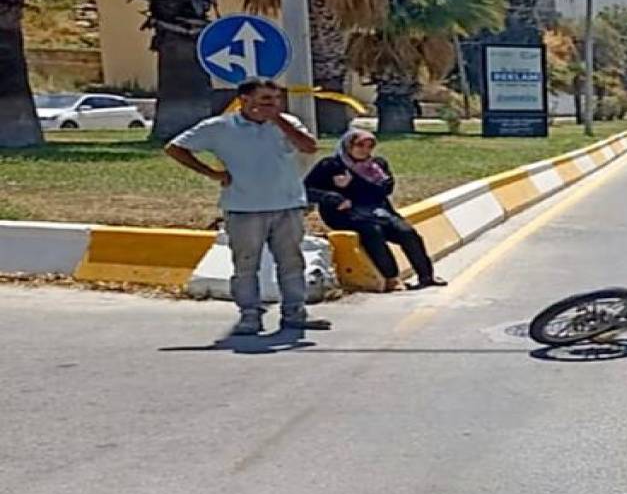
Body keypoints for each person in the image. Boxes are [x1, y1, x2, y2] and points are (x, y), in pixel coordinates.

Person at [164, 79, 328, 336]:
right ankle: (249, 315)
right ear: (245, 100)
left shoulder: (288, 123)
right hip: (243, 208)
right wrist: (211, 173)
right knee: (246, 265)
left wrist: (278, 120)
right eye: (265, 100)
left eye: (276, 99)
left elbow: (309, 147)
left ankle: (295, 312)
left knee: (292, 262)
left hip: (287, 205)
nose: (272, 105)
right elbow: (175, 148)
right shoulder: (219, 127)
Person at [305, 129, 447, 292]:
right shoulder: (330, 165)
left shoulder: (377, 165)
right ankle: (391, 278)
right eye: (359, 145)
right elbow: (306, 190)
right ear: (348, 146)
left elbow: (384, 189)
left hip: (377, 211)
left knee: (406, 231)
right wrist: (333, 197)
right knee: (373, 232)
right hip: (343, 214)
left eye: (370, 146)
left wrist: (351, 184)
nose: (365, 150)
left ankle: (426, 276)